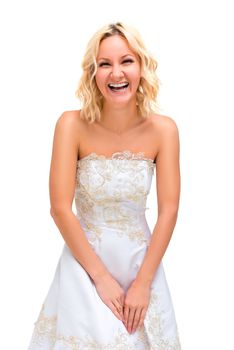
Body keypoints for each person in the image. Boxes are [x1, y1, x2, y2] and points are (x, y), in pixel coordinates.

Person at [28, 22, 182, 349]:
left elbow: (169, 210)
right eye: (105, 64)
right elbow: (59, 208)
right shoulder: (70, 125)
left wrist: (143, 283)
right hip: (84, 265)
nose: (116, 73)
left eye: (126, 61)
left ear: (141, 66)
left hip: (141, 264)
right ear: (92, 72)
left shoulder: (164, 130)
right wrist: (100, 278)